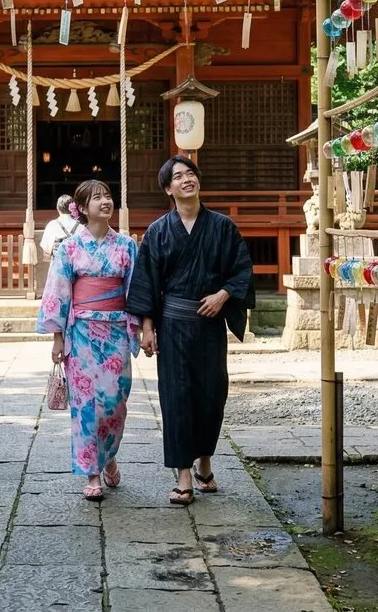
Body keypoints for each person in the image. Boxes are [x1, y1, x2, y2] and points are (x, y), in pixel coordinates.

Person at [126, 155, 254, 506]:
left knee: (212, 397)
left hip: (209, 325)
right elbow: (147, 283)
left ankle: (205, 461)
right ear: (168, 189)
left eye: (191, 174)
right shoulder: (158, 232)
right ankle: (184, 476)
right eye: (178, 177)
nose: (187, 180)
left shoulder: (223, 227)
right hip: (173, 327)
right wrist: (147, 327)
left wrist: (223, 294)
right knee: (177, 398)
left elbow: (241, 270)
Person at [37, 180, 138, 501]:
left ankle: (108, 457)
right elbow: (57, 292)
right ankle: (91, 473)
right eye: (97, 198)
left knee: (114, 403)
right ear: (80, 208)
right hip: (80, 333)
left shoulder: (126, 246)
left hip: (116, 332)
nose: (105, 202)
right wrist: (57, 338)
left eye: (108, 196)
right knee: (85, 407)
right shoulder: (69, 248)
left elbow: (136, 292)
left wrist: (142, 328)